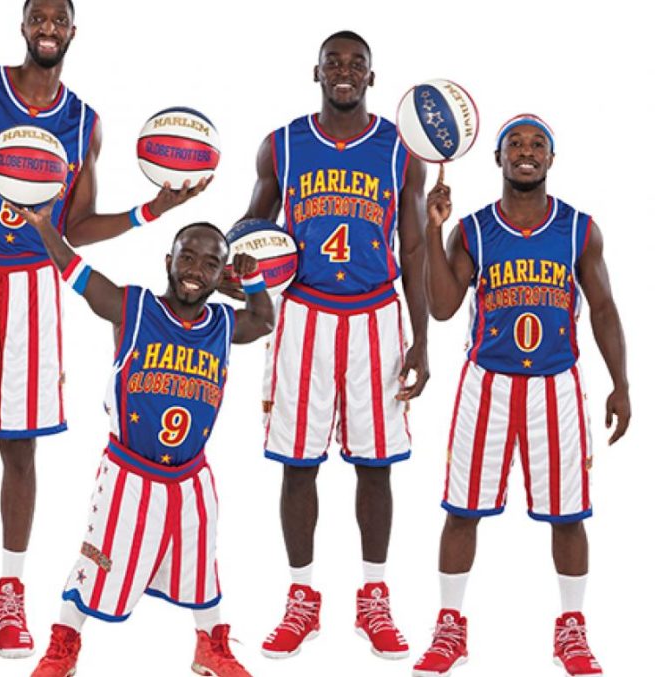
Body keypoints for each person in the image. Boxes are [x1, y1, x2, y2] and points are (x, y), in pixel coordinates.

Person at [0, 0, 208, 663]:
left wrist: (153, 209)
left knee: (21, 446)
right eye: (37, 17)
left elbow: (75, 228)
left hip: (35, 283)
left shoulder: (83, 122)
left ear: (72, 31)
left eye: (57, 20)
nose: (47, 28)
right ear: (23, 25)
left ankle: (9, 591)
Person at [12, 199, 273, 676]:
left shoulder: (222, 324)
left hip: (191, 476)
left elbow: (264, 321)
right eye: (187, 257)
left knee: (198, 562)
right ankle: (63, 643)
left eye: (210, 264)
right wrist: (46, 227)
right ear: (168, 261)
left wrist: (252, 279)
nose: (195, 271)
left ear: (221, 276)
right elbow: (77, 274)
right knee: (97, 562)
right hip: (129, 473)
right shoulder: (133, 308)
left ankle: (210, 644)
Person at [411, 115, 629, 677]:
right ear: (499, 158)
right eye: (515, 144)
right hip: (488, 383)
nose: (525, 152)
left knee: (568, 515)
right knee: (462, 510)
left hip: (557, 383)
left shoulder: (579, 229)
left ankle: (572, 629)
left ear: (550, 159)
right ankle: (450, 626)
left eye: (536, 145)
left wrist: (621, 383)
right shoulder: (473, 229)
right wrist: (433, 229)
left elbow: (603, 308)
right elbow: (443, 308)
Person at [237, 31, 428, 660]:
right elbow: (251, 229)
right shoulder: (282, 145)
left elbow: (415, 251)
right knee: (299, 461)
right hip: (305, 316)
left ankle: (374, 597)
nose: (344, 71)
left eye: (357, 64)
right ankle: (301, 598)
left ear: (372, 77)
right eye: (333, 63)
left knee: (376, 464)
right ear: (316, 72)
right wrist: (240, 269)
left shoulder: (401, 151)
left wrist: (422, 339)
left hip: (376, 315)